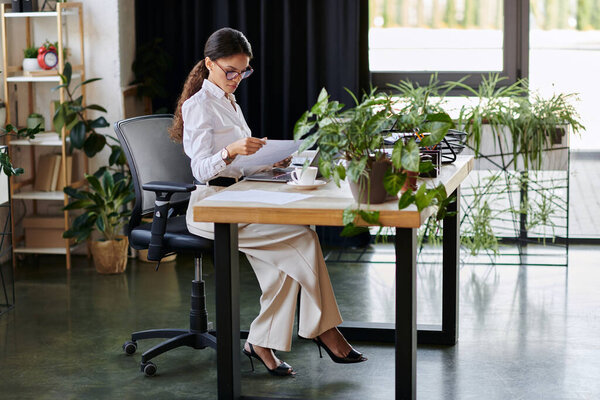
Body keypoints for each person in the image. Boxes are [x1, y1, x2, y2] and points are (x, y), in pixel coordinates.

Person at [169, 27, 366, 377]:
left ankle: (260, 342)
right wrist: (229, 150)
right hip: (210, 207)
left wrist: (270, 160)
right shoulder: (198, 105)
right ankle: (325, 330)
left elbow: (239, 163)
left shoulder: (229, 101)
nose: (237, 78)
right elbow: (200, 170)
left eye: (243, 71)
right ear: (208, 64)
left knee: (286, 261)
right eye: (230, 71)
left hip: (237, 196)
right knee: (303, 238)